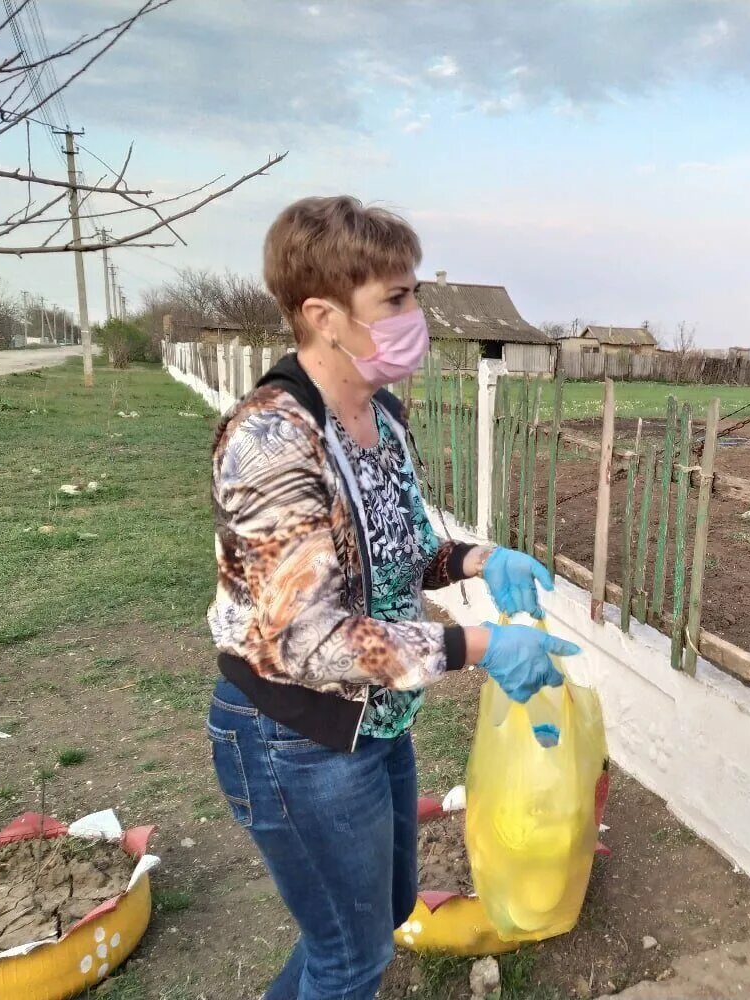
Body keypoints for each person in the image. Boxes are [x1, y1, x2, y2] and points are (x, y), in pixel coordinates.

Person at [205, 195, 577, 1000]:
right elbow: (308, 639)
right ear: (323, 315)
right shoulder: (273, 439)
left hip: (376, 717)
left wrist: (480, 557)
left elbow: (399, 553)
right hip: (294, 732)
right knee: (352, 957)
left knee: (379, 917)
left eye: (414, 294)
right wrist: (477, 648)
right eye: (397, 299)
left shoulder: (380, 416)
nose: (420, 317)